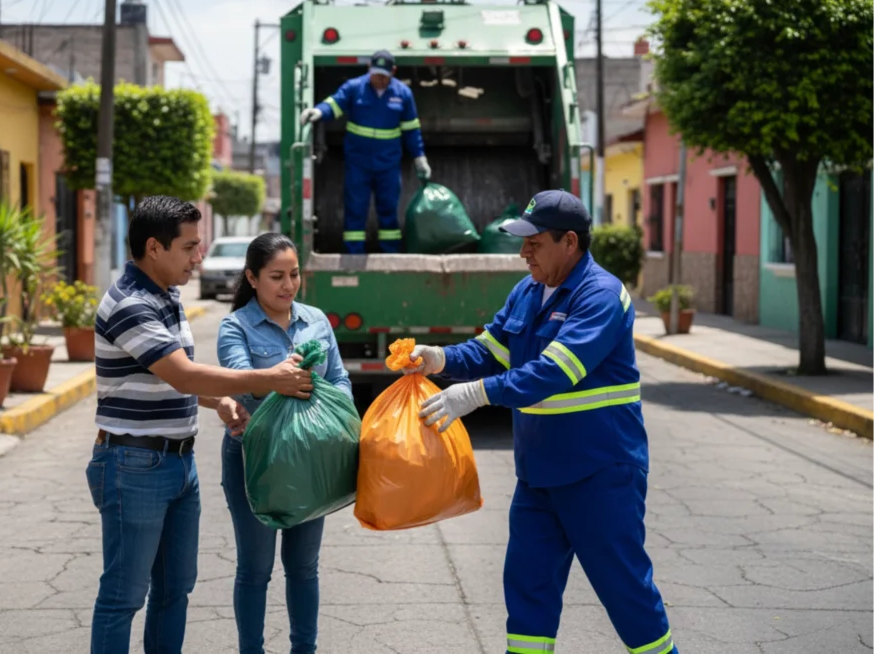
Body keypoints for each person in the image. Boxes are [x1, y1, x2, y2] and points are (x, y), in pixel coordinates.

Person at [407, 190, 678, 654]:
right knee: (528, 592)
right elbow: (489, 351)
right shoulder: (528, 291)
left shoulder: (601, 295)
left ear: (569, 242)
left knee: (625, 592)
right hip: (539, 476)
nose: (522, 252)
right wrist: (438, 359)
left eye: (534, 242)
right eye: (522, 241)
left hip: (600, 472)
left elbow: (555, 372)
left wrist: (474, 395)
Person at [86, 197, 314, 654]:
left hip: (177, 464)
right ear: (154, 247)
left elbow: (175, 380)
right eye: (189, 246)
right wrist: (268, 379)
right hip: (133, 464)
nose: (199, 256)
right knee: (124, 597)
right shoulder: (130, 304)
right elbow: (184, 373)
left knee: (175, 592)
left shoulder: (166, 296)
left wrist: (221, 401)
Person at [215, 232, 352, 654]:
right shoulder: (234, 326)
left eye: (294, 274)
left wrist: (339, 415)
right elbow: (244, 383)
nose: (288, 285)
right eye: (276, 276)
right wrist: (283, 373)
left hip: (313, 460)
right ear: (252, 278)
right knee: (255, 569)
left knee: (304, 568)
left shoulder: (315, 320)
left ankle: (303, 649)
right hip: (257, 459)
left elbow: (339, 379)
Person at [299, 49, 430, 254]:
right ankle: (353, 256)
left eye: (383, 76)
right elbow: (335, 104)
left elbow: (411, 130)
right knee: (355, 210)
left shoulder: (403, 94)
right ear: (369, 69)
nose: (379, 79)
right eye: (375, 74)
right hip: (358, 163)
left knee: (388, 211)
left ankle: (391, 256)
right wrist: (318, 111)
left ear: (393, 72)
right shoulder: (354, 88)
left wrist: (419, 157)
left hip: (388, 164)